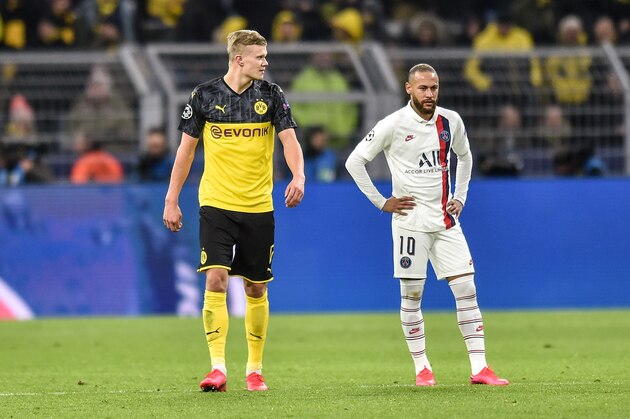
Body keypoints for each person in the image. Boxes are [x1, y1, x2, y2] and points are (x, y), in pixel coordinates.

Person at [345, 63, 509, 387]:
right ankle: (422, 368)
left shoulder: (451, 121)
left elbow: (465, 156)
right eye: (423, 88)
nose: (429, 94)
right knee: (412, 295)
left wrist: (460, 197)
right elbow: (355, 161)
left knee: (467, 289)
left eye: (434, 88)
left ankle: (480, 368)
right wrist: (381, 202)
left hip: (446, 221)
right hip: (410, 223)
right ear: (409, 89)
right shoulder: (393, 124)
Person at [162, 29, 305, 393]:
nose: (266, 62)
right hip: (216, 203)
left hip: (259, 205)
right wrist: (171, 198)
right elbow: (185, 151)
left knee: (255, 287)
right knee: (215, 279)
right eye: (260, 56)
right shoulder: (205, 96)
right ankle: (217, 367)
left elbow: (289, 140)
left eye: (266, 56)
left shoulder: (271, 95)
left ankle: (254, 369)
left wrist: (298, 175)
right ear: (239, 58)